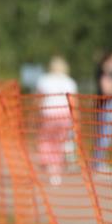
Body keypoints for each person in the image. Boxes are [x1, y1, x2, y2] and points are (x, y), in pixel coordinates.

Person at [35, 55, 78, 186]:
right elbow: (73, 102)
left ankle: (48, 164)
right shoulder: (70, 82)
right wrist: (75, 120)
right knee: (59, 143)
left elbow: (38, 98)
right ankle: (55, 171)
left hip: (48, 114)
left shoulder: (44, 80)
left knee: (46, 140)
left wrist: (36, 114)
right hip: (64, 115)